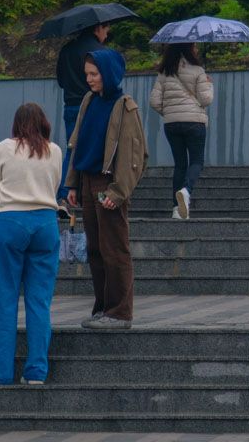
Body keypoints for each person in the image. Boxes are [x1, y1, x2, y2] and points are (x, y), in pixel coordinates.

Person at [65, 49, 147, 330]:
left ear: (109, 73)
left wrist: (117, 192)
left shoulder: (125, 107)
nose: (89, 79)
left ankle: (120, 312)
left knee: (114, 248)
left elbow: (134, 157)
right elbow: (78, 142)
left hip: (108, 184)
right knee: (95, 249)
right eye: (87, 73)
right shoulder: (89, 101)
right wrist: (73, 183)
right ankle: (103, 308)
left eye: (94, 74)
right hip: (88, 181)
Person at [0, 103, 61, 386]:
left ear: (16, 123)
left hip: (10, 222)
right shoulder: (54, 150)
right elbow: (54, 187)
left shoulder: (4, 147)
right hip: (46, 223)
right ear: (43, 123)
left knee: (5, 300)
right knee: (39, 301)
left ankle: (1, 373)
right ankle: (36, 372)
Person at [149, 43, 214, 219]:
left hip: (172, 124)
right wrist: (208, 84)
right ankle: (186, 190)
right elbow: (206, 99)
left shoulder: (164, 72)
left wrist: (170, 112)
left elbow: (154, 102)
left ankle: (177, 210)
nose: (197, 49)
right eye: (194, 46)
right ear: (188, 49)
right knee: (197, 161)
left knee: (180, 165)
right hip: (194, 123)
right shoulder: (198, 70)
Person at [54, 23, 111, 215]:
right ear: (97, 29)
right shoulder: (101, 52)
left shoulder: (67, 50)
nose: (107, 33)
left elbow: (61, 81)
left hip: (70, 106)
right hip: (93, 106)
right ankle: (92, 194)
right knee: (97, 150)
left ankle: (63, 194)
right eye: (106, 29)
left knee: (72, 150)